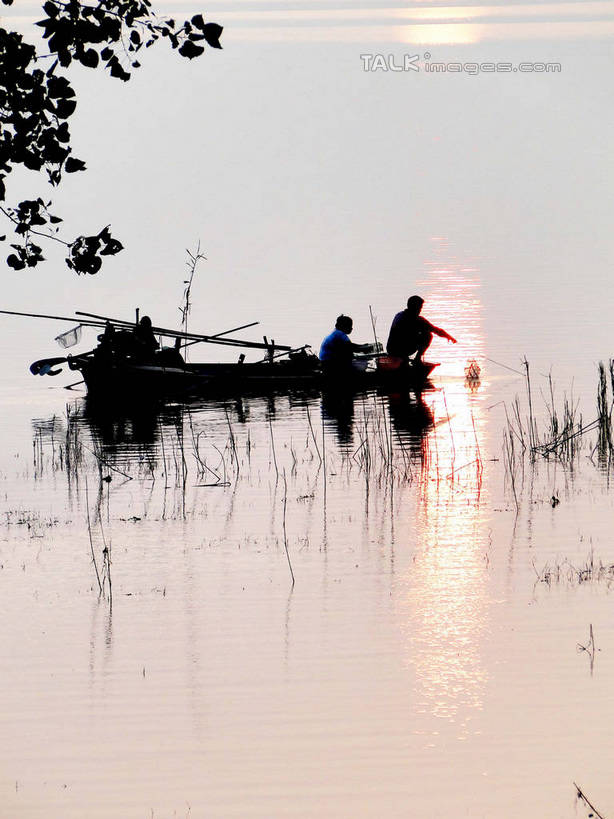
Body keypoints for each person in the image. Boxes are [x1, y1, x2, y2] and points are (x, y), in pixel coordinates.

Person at [386, 295, 456, 362]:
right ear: (414, 307)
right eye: (419, 308)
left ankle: (407, 358)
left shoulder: (399, 315)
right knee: (427, 335)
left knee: (423, 331)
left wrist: (448, 336)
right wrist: (448, 336)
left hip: (390, 349)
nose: (420, 310)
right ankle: (417, 359)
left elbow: (435, 330)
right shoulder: (417, 320)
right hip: (399, 349)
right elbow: (435, 330)